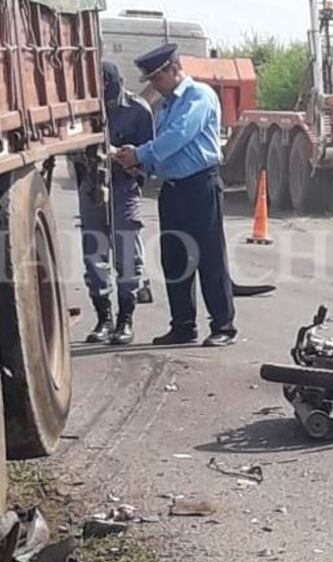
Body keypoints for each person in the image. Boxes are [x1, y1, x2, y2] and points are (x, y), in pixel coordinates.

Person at [113, 43, 238, 348]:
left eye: (157, 78)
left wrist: (141, 154)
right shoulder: (167, 105)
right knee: (176, 259)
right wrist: (141, 164)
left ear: (173, 69)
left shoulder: (199, 97)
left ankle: (223, 325)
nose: (155, 86)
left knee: (209, 258)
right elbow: (166, 151)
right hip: (173, 189)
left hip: (200, 187)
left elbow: (179, 136)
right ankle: (183, 325)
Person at [78, 61, 153, 346]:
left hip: (123, 186)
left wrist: (124, 158)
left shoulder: (137, 110)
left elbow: (147, 160)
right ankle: (103, 318)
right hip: (92, 186)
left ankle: (126, 319)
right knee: (94, 255)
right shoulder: (84, 108)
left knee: (126, 255)